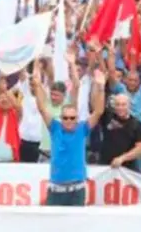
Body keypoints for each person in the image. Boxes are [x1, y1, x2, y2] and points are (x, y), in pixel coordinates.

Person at [32, 67, 104, 206]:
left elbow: (99, 111)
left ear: (77, 118)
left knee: (76, 227)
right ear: (61, 118)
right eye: (65, 118)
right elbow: (42, 108)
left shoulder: (82, 129)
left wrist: (101, 88)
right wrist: (37, 85)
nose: (69, 121)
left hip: (76, 191)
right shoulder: (55, 128)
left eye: (72, 118)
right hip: (56, 190)